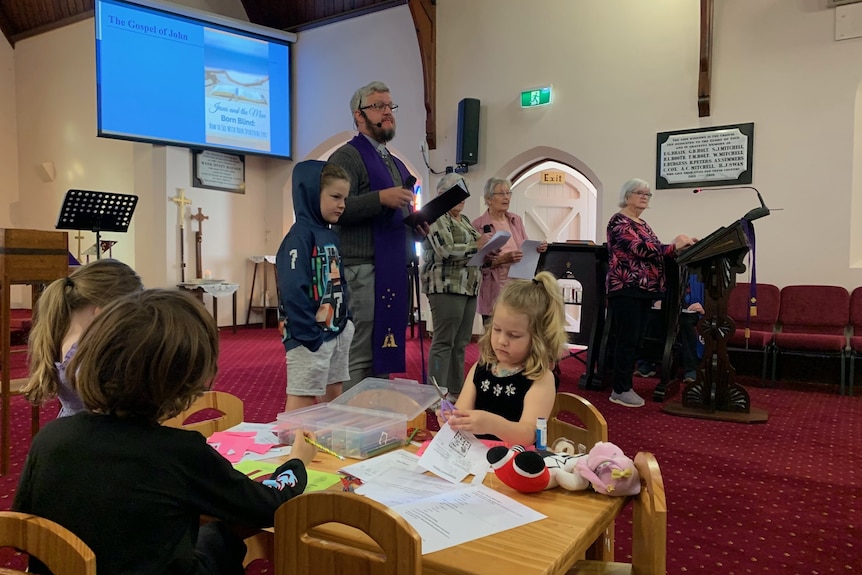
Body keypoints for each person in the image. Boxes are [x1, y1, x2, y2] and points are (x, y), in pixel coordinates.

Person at [13, 289, 317, 575]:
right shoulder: (180, 451)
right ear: (190, 379)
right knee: (221, 537)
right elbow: (268, 506)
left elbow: (22, 530)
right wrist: (296, 463)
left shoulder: (50, 438)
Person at [328, 80, 429, 390]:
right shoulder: (347, 157)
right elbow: (334, 208)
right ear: (358, 115)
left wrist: (415, 227)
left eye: (390, 106)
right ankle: (352, 415)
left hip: (392, 267)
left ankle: (375, 411)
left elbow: (395, 213)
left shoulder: (394, 163)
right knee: (361, 352)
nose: (387, 112)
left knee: (385, 349)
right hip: (362, 267)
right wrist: (380, 198)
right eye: (378, 106)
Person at [437, 272, 567, 445]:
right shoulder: (481, 368)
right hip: (476, 455)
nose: (501, 341)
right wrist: (451, 421)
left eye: (513, 335)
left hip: (515, 458)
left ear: (539, 339)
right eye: (497, 330)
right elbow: (462, 415)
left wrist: (491, 424)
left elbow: (529, 434)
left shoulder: (540, 378)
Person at [606, 178, 695, 408]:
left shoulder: (642, 224)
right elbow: (641, 249)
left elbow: (658, 251)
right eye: (640, 193)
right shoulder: (619, 222)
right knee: (627, 339)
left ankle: (626, 386)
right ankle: (620, 389)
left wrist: (685, 247)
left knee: (636, 340)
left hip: (645, 290)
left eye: (647, 194)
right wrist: (674, 246)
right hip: (627, 288)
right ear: (627, 196)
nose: (645, 197)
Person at [277, 160, 354, 412]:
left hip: (336, 329)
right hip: (308, 335)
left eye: (344, 198)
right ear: (311, 193)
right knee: (303, 395)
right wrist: (308, 334)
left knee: (334, 394)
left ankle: (331, 434)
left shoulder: (330, 234)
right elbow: (292, 290)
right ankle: (293, 438)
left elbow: (339, 280)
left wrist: (347, 320)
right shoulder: (299, 237)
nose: (342, 205)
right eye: (335, 197)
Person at [22, 258, 143, 418]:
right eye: (128, 315)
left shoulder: (62, 333)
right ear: (102, 311)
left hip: (74, 425)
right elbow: (114, 406)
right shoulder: (86, 353)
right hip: (95, 430)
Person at [420, 173, 486, 399]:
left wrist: (488, 249)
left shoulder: (464, 219)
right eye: (456, 193)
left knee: (461, 343)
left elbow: (476, 245)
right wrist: (477, 246)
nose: (462, 199)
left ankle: (456, 392)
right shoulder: (436, 217)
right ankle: (436, 395)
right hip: (445, 286)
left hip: (469, 285)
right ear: (442, 194)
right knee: (444, 342)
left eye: (464, 193)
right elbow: (446, 251)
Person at [473, 177, 547, 324]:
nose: (506, 197)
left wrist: (536, 248)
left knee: (517, 328)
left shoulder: (515, 220)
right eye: (501, 194)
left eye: (508, 193)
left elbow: (524, 247)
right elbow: (476, 263)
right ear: (488, 199)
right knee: (494, 330)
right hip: (494, 288)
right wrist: (503, 259)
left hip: (518, 286)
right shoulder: (478, 225)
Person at [634, 272, 705, 383]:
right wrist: (656, 301)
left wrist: (703, 308)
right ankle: (648, 362)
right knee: (653, 317)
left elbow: (714, 299)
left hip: (692, 313)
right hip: (668, 310)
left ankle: (691, 368)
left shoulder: (699, 271)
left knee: (685, 323)